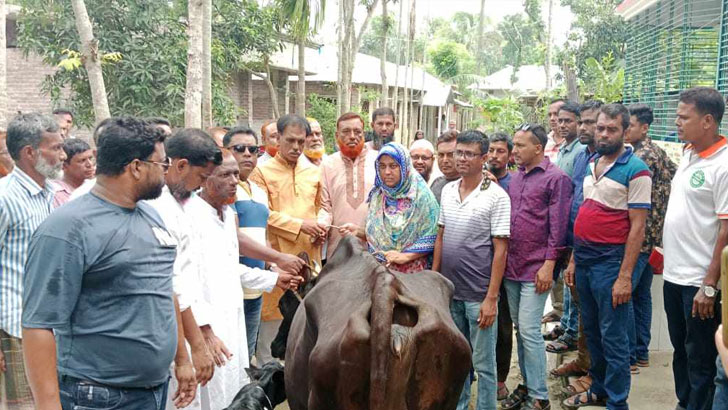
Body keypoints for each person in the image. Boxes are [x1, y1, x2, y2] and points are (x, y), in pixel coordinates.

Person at [21, 117, 176, 410]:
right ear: (136, 167)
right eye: (162, 165)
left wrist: (181, 359)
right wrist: (48, 405)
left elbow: (163, 293)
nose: (165, 173)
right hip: (97, 397)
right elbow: (38, 324)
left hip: (153, 391)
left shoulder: (151, 216)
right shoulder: (68, 228)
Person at [187, 150, 301, 410]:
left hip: (230, 321)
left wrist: (273, 279)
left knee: (231, 389)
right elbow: (183, 283)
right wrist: (204, 331)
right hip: (203, 325)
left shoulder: (226, 215)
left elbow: (228, 268)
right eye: (225, 174)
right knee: (203, 394)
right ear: (204, 179)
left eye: (236, 174)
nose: (234, 180)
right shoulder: (189, 216)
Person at [563, 104, 652, 410]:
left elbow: (638, 227)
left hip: (611, 265)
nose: (603, 134)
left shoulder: (636, 169)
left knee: (614, 339)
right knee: (594, 333)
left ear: (625, 132)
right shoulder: (592, 164)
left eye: (611, 129)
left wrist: (625, 276)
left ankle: (617, 402)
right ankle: (598, 389)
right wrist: (574, 260)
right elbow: (585, 216)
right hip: (585, 262)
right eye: (600, 128)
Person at [432, 130, 510, 410]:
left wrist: (491, 298)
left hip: (479, 296)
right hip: (451, 292)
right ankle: (461, 406)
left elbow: (500, 249)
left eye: (468, 154)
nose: (461, 159)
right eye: (458, 153)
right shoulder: (449, 191)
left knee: (484, 365)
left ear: (484, 158)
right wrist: (435, 281)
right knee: (458, 361)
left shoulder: (497, 197)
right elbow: (441, 236)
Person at [146, 128, 222, 410]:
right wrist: (195, 348)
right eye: (201, 178)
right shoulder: (158, 207)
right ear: (180, 165)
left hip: (183, 327)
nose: (201, 186)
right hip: (169, 333)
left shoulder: (178, 204)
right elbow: (174, 287)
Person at [662, 87, 728, 410]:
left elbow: (726, 231)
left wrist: (710, 285)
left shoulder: (724, 164)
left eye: (683, 117)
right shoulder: (688, 153)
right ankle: (685, 402)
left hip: (699, 283)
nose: (676, 122)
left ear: (707, 121)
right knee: (680, 351)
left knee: (700, 358)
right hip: (674, 277)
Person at [501, 123, 571, 410]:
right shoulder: (517, 177)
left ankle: (540, 397)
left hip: (536, 268)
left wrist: (549, 264)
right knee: (521, 329)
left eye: (519, 146)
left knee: (529, 330)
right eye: (514, 145)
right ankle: (528, 385)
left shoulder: (556, 179)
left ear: (538, 149)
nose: (514, 151)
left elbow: (559, 226)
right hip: (512, 265)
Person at [223, 126, 306, 362]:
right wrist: (280, 258)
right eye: (240, 149)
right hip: (233, 286)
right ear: (226, 153)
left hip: (256, 288)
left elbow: (263, 235)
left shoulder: (258, 192)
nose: (248, 154)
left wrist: (272, 266)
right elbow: (233, 238)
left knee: (246, 355)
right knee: (231, 358)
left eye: (254, 149)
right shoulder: (224, 191)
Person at [0, 113, 65, 410]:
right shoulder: (5, 198)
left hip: (52, 327)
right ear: (30, 153)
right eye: (55, 148)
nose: (63, 155)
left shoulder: (50, 194)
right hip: (14, 330)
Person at [249, 114, 324, 364]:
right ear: (277, 138)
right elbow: (264, 215)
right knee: (272, 337)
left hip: (309, 261)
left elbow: (319, 208)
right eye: (290, 140)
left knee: (307, 328)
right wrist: (301, 225)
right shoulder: (260, 172)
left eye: (301, 142)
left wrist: (321, 226)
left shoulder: (313, 172)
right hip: (276, 260)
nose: (296, 147)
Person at [553, 100, 603, 395]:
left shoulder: (613, 160)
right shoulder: (583, 155)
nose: (584, 128)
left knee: (597, 316)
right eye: (582, 122)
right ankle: (584, 361)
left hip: (598, 253)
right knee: (584, 310)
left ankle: (596, 375)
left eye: (590, 123)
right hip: (575, 245)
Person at [625, 103, 677, 373]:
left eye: (629, 125)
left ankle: (631, 356)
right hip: (654, 235)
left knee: (628, 295)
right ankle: (641, 352)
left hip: (640, 237)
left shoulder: (640, 156)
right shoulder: (658, 150)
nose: (624, 130)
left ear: (644, 128)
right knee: (641, 295)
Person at [341, 142, 439, 273]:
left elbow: (433, 236)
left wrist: (405, 256)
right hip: (378, 270)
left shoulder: (421, 196)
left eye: (393, 166)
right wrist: (358, 231)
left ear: (404, 167)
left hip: (411, 276)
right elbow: (377, 234)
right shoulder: (378, 195)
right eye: (382, 166)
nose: (387, 172)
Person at [544, 100, 585, 354]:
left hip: (573, 227)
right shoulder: (564, 150)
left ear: (579, 123)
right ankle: (567, 326)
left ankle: (571, 334)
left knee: (572, 285)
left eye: (567, 120)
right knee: (567, 282)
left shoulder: (580, 151)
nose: (561, 124)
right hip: (563, 226)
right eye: (559, 120)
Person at [317, 112, 378, 260]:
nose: (352, 136)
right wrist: (321, 225)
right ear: (337, 135)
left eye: (357, 132)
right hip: (339, 247)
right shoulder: (327, 164)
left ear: (364, 134)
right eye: (346, 132)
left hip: (374, 247)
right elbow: (325, 206)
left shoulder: (379, 160)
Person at [486, 132, 514, 399]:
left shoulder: (513, 183)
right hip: (477, 265)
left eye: (500, 151)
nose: (495, 155)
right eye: (491, 150)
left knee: (503, 325)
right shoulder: (476, 179)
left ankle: (500, 379)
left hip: (505, 265)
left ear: (510, 155)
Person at [52, 138, 95, 207]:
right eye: (82, 160)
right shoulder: (56, 195)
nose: (89, 164)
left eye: (90, 158)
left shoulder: (94, 188)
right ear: (64, 166)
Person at [430, 131, 460, 203]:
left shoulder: (471, 186)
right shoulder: (436, 184)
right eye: (441, 155)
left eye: (450, 155)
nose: (445, 160)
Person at [544, 99, 566, 163]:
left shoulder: (573, 143)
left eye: (556, 114)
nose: (552, 118)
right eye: (550, 115)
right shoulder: (544, 141)